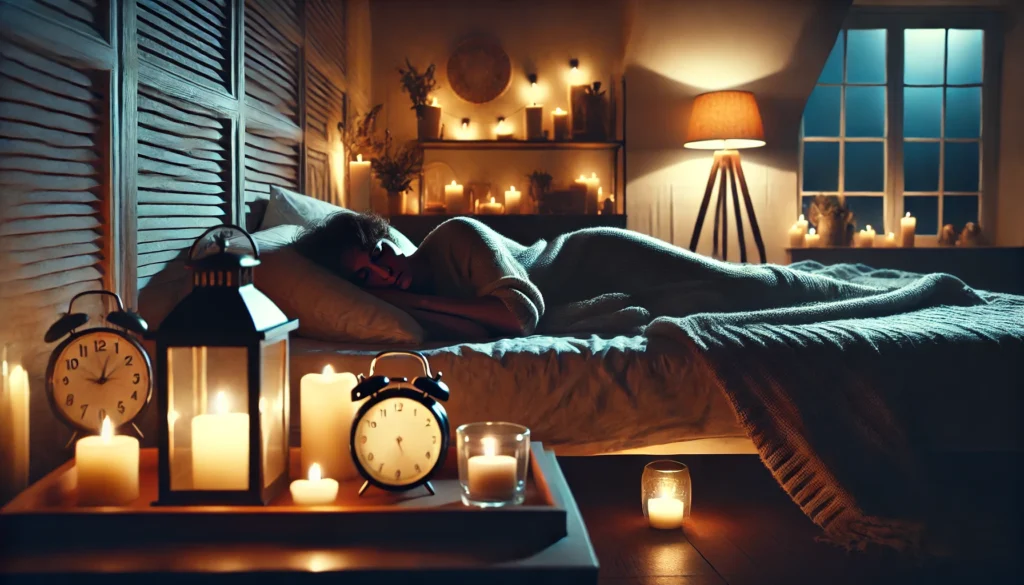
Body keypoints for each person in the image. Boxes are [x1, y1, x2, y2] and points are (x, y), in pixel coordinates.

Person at [293, 212, 884, 340]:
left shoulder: (452, 238)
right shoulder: (413, 296)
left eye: (379, 256)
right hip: (606, 289)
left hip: (599, 257)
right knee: (722, 301)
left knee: (750, 284)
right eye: (367, 279)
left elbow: (519, 316)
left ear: (387, 242)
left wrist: (423, 310)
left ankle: (871, 290)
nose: (384, 277)